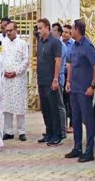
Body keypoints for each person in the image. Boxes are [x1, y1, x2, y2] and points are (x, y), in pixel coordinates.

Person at [64, 19, 95, 163]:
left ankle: (89, 151)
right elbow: (71, 65)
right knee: (76, 119)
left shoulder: (87, 46)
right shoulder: (74, 46)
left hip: (84, 90)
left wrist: (92, 86)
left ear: (77, 29)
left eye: (72, 28)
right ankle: (77, 148)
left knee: (88, 120)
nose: (71, 31)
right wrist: (68, 81)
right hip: (74, 89)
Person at [36, 18, 63, 146]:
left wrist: (55, 79)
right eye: (38, 28)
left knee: (53, 109)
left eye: (41, 28)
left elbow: (58, 61)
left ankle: (57, 135)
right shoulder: (40, 42)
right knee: (45, 109)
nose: (39, 30)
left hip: (51, 81)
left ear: (47, 27)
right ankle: (49, 133)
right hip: (41, 80)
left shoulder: (55, 42)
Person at [1, 22, 29, 142]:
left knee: (19, 105)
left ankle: (21, 131)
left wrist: (16, 72)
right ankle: (8, 131)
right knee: (6, 105)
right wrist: (4, 71)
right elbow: (1, 59)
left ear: (16, 30)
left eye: (10, 30)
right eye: (7, 31)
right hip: (6, 78)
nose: (8, 33)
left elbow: (26, 60)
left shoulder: (22, 43)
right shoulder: (4, 43)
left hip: (18, 79)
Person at [52, 22, 67, 139]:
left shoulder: (61, 46)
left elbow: (58, 62)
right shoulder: (55, 44)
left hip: (58, 79)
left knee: (60, 105)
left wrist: (56, 79)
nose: (52, 32)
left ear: (59, 33)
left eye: (54, 30)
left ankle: (62, 130)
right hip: (54, 78)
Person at [62, 24, 75, 133]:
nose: (64, 34)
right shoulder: (60, 44)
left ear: (71, 34)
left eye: (66, 32)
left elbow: (75, 59)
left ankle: (72, 124)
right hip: (62, 75)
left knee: (71, 101)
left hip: (71, 76)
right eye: (63, 31)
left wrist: (70, 65)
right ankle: (64, 124)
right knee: (63, 101)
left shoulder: (74, 45)